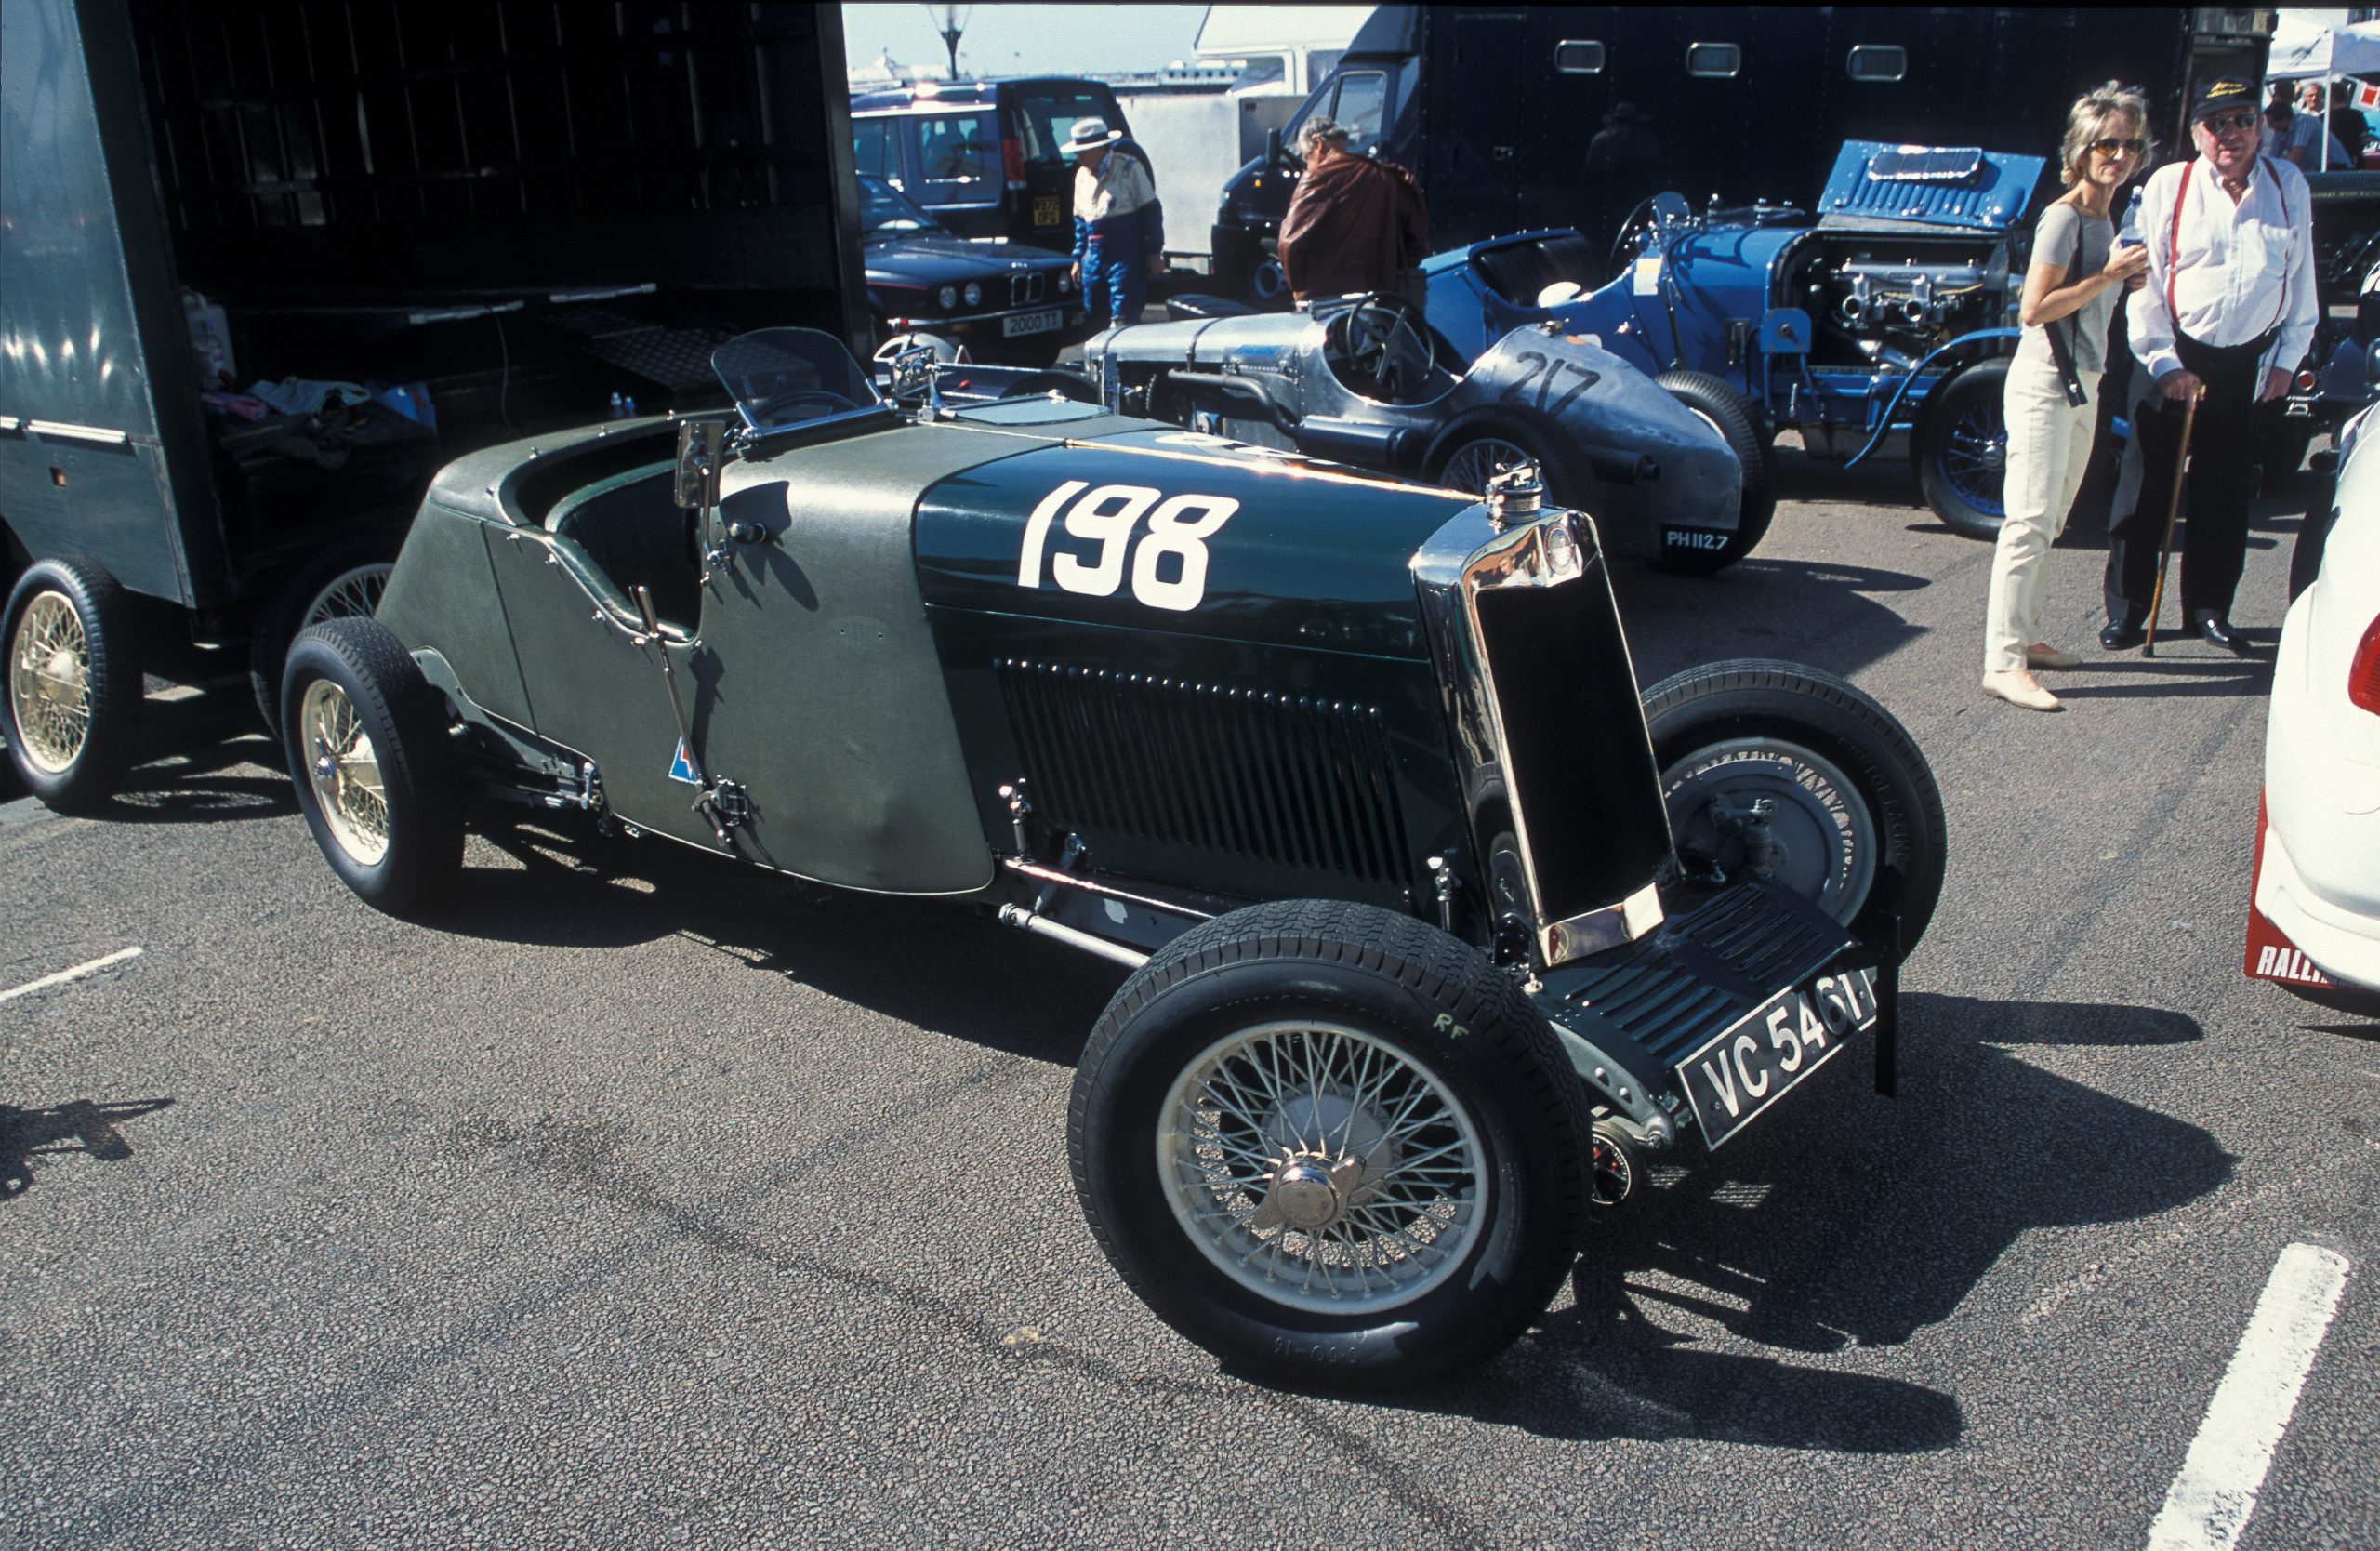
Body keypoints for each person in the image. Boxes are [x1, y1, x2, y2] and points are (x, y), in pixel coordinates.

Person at [2103, 76, 2317, 655]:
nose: (2231, 134)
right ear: (2197, 132)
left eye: (2243, 119)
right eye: (2217, 123)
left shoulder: (2287, 184)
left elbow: (2302, 280)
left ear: (2261, 126)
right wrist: (2165, 364)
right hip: (2172, 352)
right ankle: (2129, 610)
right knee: (2146, 488)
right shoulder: (2169, 184)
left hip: (2247, 359)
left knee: (2225, 490)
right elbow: (2143, 286)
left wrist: (2287, 359)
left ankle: (2209, 609)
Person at [1979, 84, 2151, 712]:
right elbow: (2035, 308)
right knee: (2027, 522)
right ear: (2080, 150)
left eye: (2130, 145)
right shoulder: (2064, 217)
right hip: (2046, 383)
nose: (2119, 156)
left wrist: (2124, 281)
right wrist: (2107, 276)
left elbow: (2092, 300)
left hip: (2085, 383)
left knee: (2051, 520)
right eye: (2107, 144)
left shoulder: (2106, 218)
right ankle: (2003, 663)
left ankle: (2025, 638)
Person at [1275, 118, 1431, 307]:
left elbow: (1290, 242)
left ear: (1318, 143)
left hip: (1326, 303)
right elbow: (1417, 241)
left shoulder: (1319, 177)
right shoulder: (1385, 175)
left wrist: (1299, 287)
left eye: (1307, 158)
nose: (1308, 166)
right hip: (1379, 301)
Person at [1064, 117, 1164, 331]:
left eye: (1083, 151)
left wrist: (1154, 251)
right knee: (1094, 314)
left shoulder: (1129, 168)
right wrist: (1078, 258)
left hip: (1125, 251)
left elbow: (1151, 211)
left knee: (1124, 316)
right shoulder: (1081, 177)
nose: (1079, 157)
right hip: (1093, 253)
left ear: (1099, 149)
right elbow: (1080, 222)